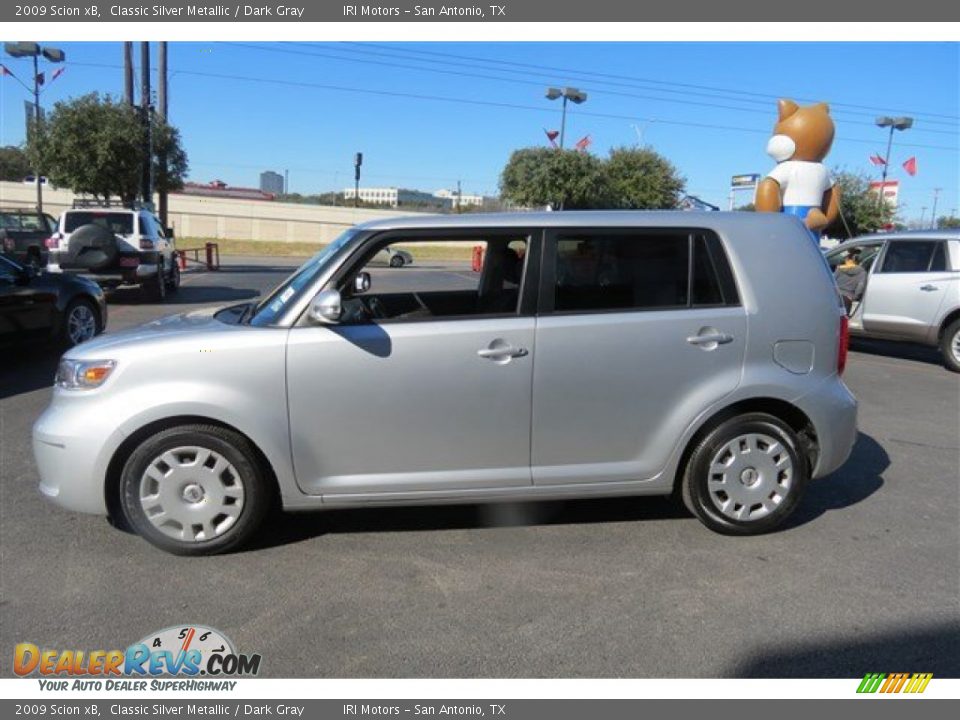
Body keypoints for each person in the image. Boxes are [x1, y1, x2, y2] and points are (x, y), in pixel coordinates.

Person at [834, 248, 867, 315]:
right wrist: (854, 297)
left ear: (847, 259)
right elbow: (860, 287)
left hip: (835, 297)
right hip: (848, 299)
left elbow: (833, 282)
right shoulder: (862, 272)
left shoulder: (839, 269)